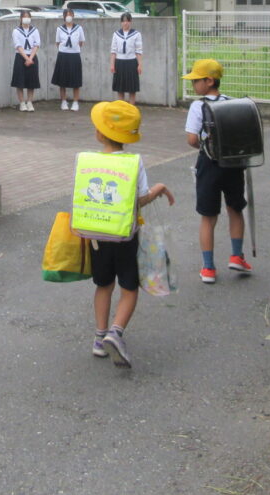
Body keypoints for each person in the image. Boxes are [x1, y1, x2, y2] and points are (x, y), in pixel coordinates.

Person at [84, 100, 174, 370]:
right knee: (129, 287)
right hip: (126, 236)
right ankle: (116, 332)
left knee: (103, 285)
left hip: (96, 236)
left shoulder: (89, 162)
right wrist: (158, 189)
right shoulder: (134, 163)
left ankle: (99, 338)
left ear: (100, 134)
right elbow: (139, 200)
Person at [182, 59, 253, 283]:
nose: (193, 85)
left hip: (209, 165)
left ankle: (208, 268)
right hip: (233, 164)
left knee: (208, 217)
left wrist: (204, 148)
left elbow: (192, 139)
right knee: (235, 209)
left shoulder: (198, 106)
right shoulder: (233, 103)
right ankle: (237, 256)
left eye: (196, 80)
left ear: (209, 81)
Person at [51, 8, 84, 111]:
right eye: (66, 15)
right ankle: (63, 101)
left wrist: (74, 49)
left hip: (75, 55)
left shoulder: (79, 28)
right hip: (63, 56)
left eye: (70, 14)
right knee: (62, 80)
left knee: (76, 80)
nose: (68, 16)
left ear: (73, 16)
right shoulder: (60, 29)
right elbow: (57, 43)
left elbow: (81, 42)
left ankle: (75, 102)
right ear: (64, 17)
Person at [109, 12, 143, 105]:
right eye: (123, 21)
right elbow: (113, 51)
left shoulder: (136, 34)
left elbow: (139, 51)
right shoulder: (116, 34)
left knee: (132, 88)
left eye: (127, 21)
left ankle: (131, 108)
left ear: (130, 21)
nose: (125, 23)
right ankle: (121, 108)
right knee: (120, 88)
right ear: (121, 22)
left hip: (131, 62)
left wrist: (140, 64)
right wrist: (112, 64)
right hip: (119, 62)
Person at [11, 9, 41, 111]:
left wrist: (30, 58)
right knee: (19, 82)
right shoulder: (16, 31)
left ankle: (29, 102)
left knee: (31, 82)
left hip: (32, 57)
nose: (26, 19)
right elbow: (18, 46)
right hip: (20, 57)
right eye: (24, 17)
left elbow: (36, 45)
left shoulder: (35, 30)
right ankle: (22, 103)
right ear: (20, 19)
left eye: (28, 17)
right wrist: (26, 58)